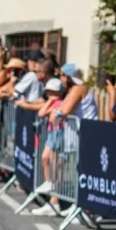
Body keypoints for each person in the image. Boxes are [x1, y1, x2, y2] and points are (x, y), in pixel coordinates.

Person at [31, 78, 68, 216]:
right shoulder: (53, 102)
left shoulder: (61, 103)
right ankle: (50, 187)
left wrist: (53, 103)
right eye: (48, 92)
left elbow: (51, 116)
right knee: (46, 158)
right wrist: (50, 101)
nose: (50, 94)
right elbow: (41, 113)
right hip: (53, 133)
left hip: (59, 133)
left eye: (53, 92)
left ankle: (54, 198)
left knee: (55, 164)